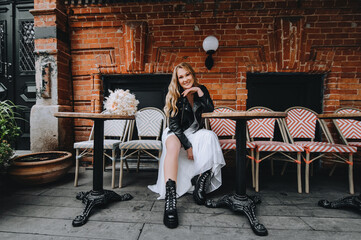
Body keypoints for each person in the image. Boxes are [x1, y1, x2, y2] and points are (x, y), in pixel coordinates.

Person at [148, 62, 226, 229]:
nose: (185, 79)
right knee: (173, 146)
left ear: (193, 74)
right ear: (177, 80)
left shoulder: (201, 90)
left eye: (187, 75)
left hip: (194, 132)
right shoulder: (174, 95)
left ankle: (200, 182)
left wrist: (198, 91)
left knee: (210, 136)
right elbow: (175, 126)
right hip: (176, 133)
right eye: (181, 77)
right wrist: (188, 146)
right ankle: (171, 199)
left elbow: (210, 110)